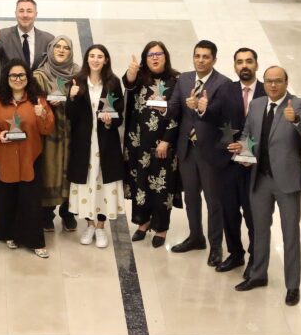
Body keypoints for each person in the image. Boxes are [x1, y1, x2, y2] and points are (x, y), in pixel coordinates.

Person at [232, 66, 301, 307]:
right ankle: (258, 274)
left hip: (286, 181)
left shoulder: (298, 104)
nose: (273, 85)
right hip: (260, 178)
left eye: (278, 81)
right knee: (260, 229)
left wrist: (296, 120)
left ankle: (292, 285)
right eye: (269, 81)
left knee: (290, 233)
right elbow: (247, 134)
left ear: (287, 82)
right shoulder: (257, 104)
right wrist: (243, 150)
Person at [168, 40, 232, 265]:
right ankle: (196, 236)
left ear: (214, 59)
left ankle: (216, 246)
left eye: (206, 56)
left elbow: (228, 118)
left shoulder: (224, 84)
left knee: (214, 201)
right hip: (187, 148)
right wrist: (162, 106)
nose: (201, 60)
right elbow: (175, 107)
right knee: (191, 197)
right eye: (197, 55)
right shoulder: (184, 79)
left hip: (210, 151)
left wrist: (205, 109)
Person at [205, 47, 265, 276]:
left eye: (249, 61)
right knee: (230, 212)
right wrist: (202, 110)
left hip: (255, 166)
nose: (244, 66)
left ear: (256, 65)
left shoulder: (265, 91)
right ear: (235, 66)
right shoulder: (226, 89)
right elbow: (214, 116)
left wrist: (252, 149)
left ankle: (255, 258)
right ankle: (236, 254)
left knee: (253, 215)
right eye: (240, 62)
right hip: (228, 162)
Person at [0, 60, 55, 258]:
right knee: (7, 197)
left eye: (22, 75)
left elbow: (47, 129)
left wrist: (43, 116)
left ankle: (35, 241)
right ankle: (9, 234)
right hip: (4, 156)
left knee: (31, 200)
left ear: (28, 78)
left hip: (30, 156)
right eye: (13, 76)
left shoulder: (38, 101)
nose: (18, 79)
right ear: (6, 79)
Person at [123, 42, 182, 248]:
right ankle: (143, 222)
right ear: (144, 58)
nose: (155, 58)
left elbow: (178, 113)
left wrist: (167, 140)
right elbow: (127, 86)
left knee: (161, 186)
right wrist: (130, 74)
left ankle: (161, 228)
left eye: (159, 54)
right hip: (138, 142)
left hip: (163, 143)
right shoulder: (139, 78)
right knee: (141, 183)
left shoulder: (176, 80)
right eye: (150, 55)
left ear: (165, 57)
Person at [66, 44, 125, 249]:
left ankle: (100, 226)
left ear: (106, 60)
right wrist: (72, 97)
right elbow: (70, 116)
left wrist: (110, 121)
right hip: (84, 143)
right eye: (92, 56)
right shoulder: (77, 81)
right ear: (86, 59)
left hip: (106, 143)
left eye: (100, 56)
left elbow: (120, 114)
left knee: (102, 183)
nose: (96, 60)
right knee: (86, 182)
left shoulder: (113, 83)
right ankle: (89, 224)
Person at [32, 35, 79, 232]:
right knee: (49, 169)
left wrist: (73, 98)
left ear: (70, 52)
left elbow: (88, 104)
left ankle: (68, 212)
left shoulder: (79, 75)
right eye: (57, 47)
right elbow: (33, 101)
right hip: (48, 133)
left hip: (72, 130)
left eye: (65, 48)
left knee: (70, 168)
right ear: (50, 50)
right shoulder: (39, 75)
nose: (61, 50)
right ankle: (46, 213)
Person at [0, 0, 54, 73]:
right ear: (15, 14)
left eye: (29, 11)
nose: (25, 15)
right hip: (9, 84)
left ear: (36, 14)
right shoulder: (3, 36)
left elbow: (55, 68)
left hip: (38, 85)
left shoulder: (48, 39)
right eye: (21, 11)